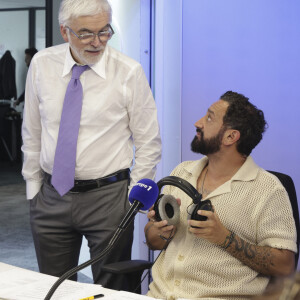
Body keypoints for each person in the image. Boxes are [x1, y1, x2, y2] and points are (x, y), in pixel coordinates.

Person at [21, 0, 161, 291]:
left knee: (112, 289)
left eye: (104, 32)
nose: (97, 42)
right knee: (54, 288)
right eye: (86, 33)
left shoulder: (128, 72)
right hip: (50, 196)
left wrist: (132, 201)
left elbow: (148, 141)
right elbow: (32, 131)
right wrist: (33, 189)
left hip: (109, 199)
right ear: (65, 31)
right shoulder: (42, 65)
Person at [145, 91, 297, 300]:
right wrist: (159, 231)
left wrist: (225, 238)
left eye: (209, 118)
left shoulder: (268, 190)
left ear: (230, 137)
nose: (197, 123)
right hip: (157, 296)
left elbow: (285, 265)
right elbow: (154, 242)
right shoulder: (182, 172)